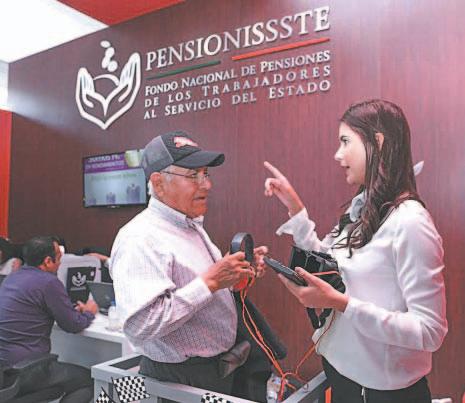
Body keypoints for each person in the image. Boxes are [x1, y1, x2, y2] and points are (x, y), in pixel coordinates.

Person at [263, 99, 447, 403]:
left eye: (345, 141)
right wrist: (295, 209)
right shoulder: (364, 210)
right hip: (344, 378)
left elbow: (430, 331)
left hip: (381, 394)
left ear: (378, 142)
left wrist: (341, 303)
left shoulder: (410, 222)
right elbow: (331, 263)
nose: (338, 154)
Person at [111, 131, 271, 401]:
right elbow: (141, 326)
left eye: (205, 174)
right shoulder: (139, 238)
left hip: (216, 369)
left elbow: (204, 289)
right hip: (177, 379)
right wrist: (210, 282)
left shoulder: (190, 226)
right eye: (193, 175)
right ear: (159, 183)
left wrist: (234, 275)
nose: (206, 184)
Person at [0, 236, 98, 403]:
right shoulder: (48, 282)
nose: (60, 263)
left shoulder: (12, 277)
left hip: (5, 369)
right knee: (89, 380)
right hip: (25, 370)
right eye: (59, 258)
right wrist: (89, 313)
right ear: (47, 261)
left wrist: (68, 310)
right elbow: (73, 325)